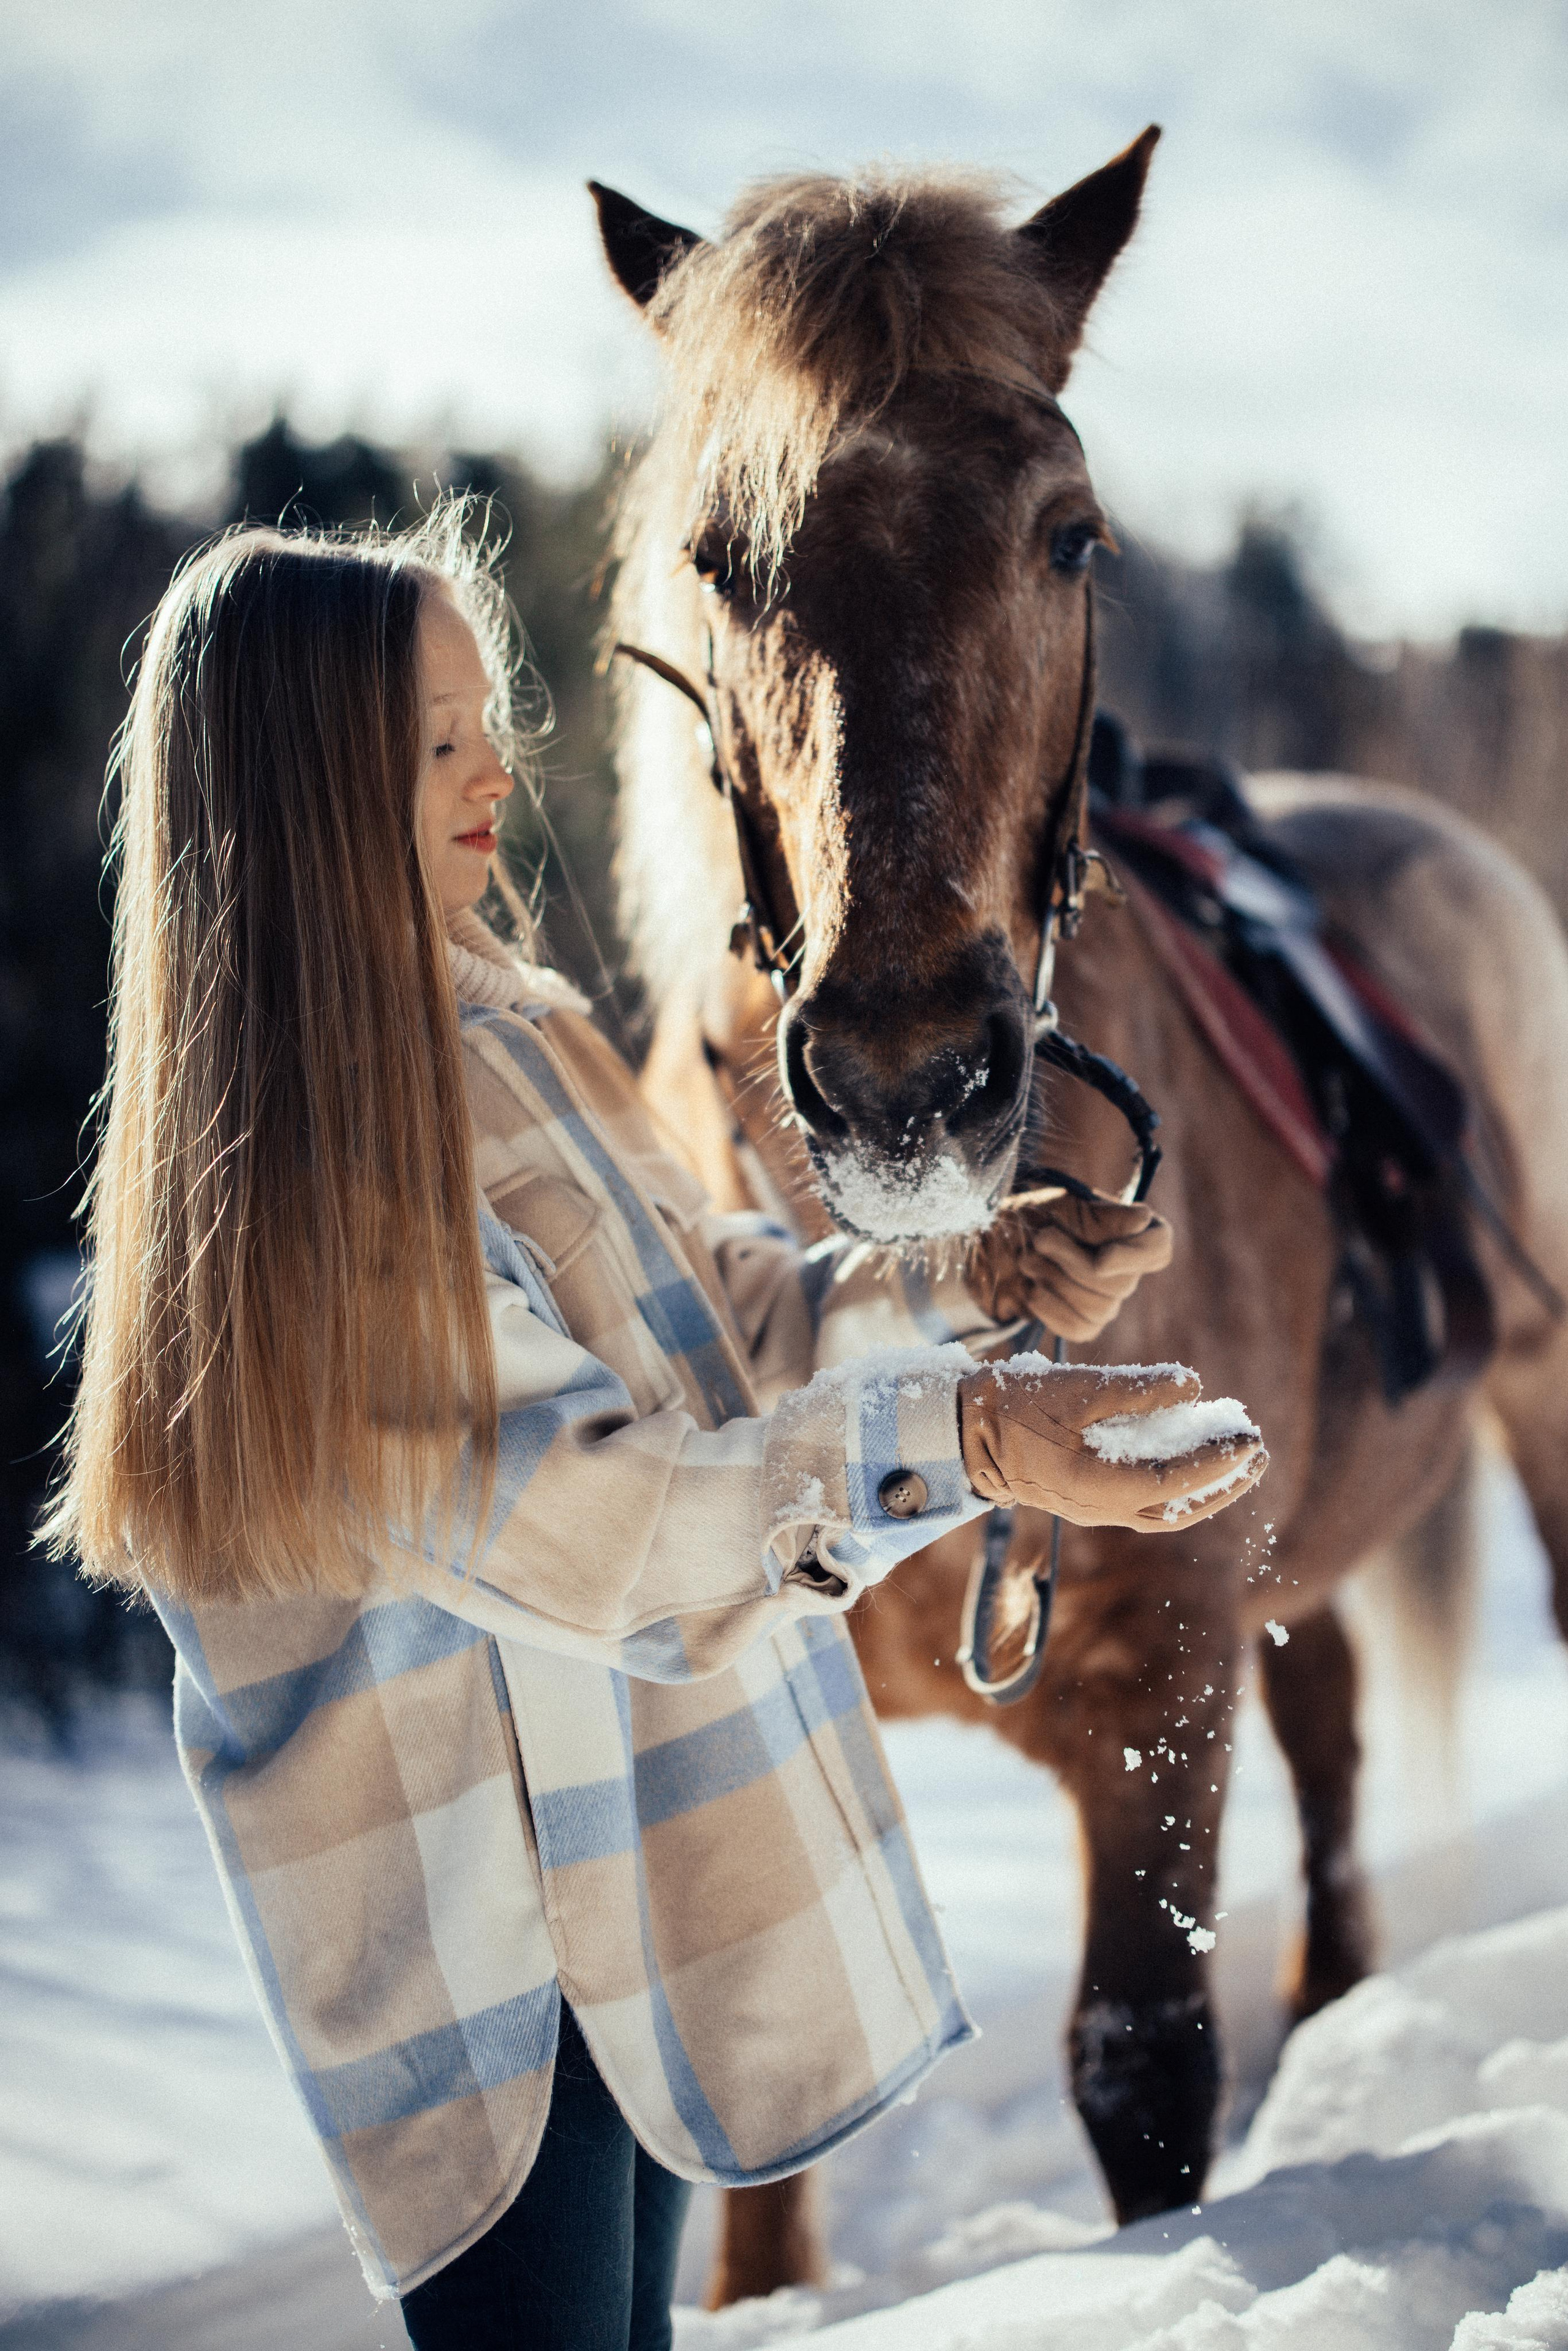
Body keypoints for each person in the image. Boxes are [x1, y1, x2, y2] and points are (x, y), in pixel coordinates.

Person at [43, 511, 1266, 2350]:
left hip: (650, 1888)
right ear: (302, 783)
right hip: (486, 1972)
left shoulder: (515, 1034)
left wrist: (967, 1268)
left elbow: (728, 1318)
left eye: (486, 716)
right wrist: (983, 1443)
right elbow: (596, 1532)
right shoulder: (308, 1153)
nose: (494, 766)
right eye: (434, 738)